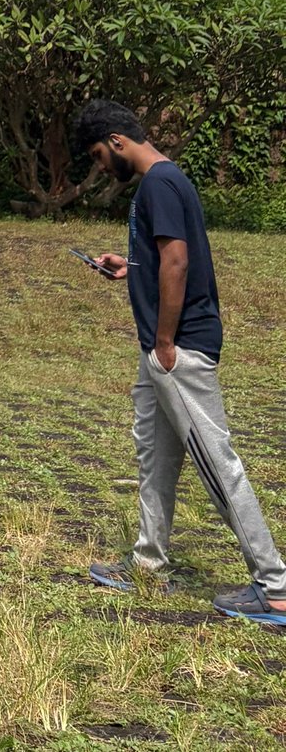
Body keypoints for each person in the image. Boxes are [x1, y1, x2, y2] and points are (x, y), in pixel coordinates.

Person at [69, 98, 286, 628]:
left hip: (178, 347)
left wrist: (165, 341)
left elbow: (178, 259)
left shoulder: (159, 184)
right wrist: (128, 267)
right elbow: (160, 256)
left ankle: (276, 587)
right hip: (160, 350)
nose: (101, 166)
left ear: (117, 142)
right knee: (156, 457)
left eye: (99, 155)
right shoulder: (165, 182)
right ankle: (149, 562)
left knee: (217, 464)